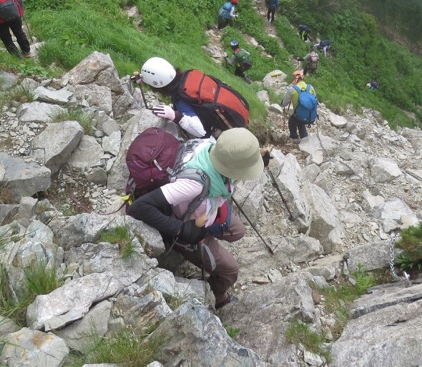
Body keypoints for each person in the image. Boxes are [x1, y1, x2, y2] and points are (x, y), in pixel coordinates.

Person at [127, 128, 264, 310]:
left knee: (238, 231)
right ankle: (219, 295)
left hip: (206, 211)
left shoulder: (212, 146)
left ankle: (210, 246)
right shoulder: (193, 184)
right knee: (231, 271)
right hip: (188, 226)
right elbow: (140, 207)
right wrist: (181, 230)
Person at [281, 70, 315, 140]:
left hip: (301, 117)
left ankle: (294, 137)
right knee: (300, 121)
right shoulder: (310, 87)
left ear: (295, 79)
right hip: (312, 117)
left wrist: (280, 102)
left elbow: (284, 103)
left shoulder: (292, 89)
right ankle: (304, 137)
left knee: (292, 120)